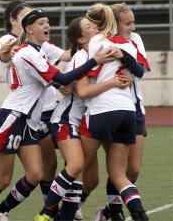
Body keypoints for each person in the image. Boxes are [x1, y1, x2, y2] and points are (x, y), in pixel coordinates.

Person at [0, 9, 115, 221]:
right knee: (2, 179)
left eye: (47, 22)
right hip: (13, 117)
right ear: (28, 29)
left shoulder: (40, 49)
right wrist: (94, 61)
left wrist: (93, 43)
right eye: (42, 23)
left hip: (29, 122)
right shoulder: (28, 52)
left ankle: (0, 212)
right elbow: (61, 78)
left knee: (36, 174)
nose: (47, 26)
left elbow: (57, 69)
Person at [35, 16, 131, 221]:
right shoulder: (82, 56)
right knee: (76, 166)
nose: (95, 26)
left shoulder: (100, 53)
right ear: (80, 39)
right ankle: (46, 214)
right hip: (66, 120)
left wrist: (126, 77)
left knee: (91, 181)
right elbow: (84, 91)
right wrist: (114, 82)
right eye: (89, 26)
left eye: (94, 24)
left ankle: (64, 213)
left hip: (84, 122)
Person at [0, 0, 73, 219]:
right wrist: (60, 81)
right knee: (44, 168)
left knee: (68, 158)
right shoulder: (10, 41)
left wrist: (88, 42)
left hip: (50, 106)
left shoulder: (39, 44)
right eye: (28, 18)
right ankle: (52, 210)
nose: (39, 23)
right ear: (13, 20)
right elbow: (6, 54)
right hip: (30, 111)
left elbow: (65, 55)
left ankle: (61, 206)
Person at [74, 3, 149, 221]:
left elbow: (139, 70)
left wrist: (123, 61)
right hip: (111, 108)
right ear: (113, 23)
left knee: (131, 169)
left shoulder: (131, 41)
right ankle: (111, 212)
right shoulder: (97, 42)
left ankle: (102, 211)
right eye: (128, 23)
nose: (132, 27)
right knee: (92, 168)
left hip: (125, 108)